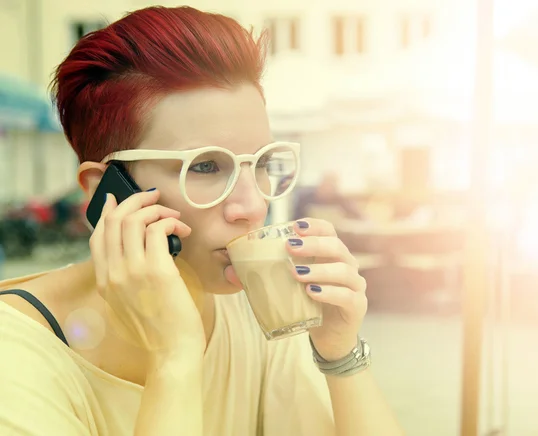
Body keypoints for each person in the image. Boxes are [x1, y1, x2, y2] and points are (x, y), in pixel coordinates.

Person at [0, 6, 403, 436]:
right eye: (207, 167)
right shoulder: (16, 353)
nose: (251, 206)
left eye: (262, 163)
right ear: (107, 191)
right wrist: (174, 356)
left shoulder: (257, 306)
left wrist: (340, 355)